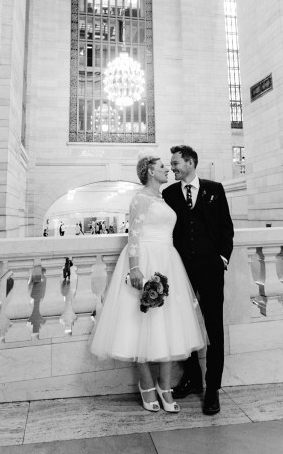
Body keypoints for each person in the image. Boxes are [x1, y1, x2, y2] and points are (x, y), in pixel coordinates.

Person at [88, 155, 207, 413]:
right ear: (150, 171)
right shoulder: (140, 198)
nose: (167, 170)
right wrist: (134, 268)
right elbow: (134, 234)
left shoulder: (162, 198)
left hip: (168, 260)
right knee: (138, 323)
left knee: (168, 322)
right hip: (145, 259)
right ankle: (146, 384)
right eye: (162, 166)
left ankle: (165, 385)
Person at [163, 144, 234, 416]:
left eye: (176, 163)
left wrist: (222, 259)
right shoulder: (169, 193)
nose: (172, 168)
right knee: (183, 324)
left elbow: (226, 228)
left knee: (214, 327)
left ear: (190, 163)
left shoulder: (215, 189)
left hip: (211, 269)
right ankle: (192, 378)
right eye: (170, 164)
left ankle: (213, 388)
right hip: (181, 270)